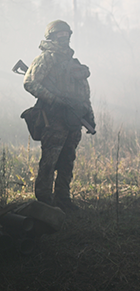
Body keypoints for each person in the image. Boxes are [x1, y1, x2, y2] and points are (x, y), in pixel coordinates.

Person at [23, 20, 95, 212]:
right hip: (53, 119)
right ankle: (44, 202)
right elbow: (30, 83)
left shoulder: (73, 63)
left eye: (66, 35)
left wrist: (89, 114)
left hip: (72, 120)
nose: (63, 38)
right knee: (49, 161)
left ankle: (63, 199)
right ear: (51, 37)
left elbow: (84, 92)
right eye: (59, 35)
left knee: (67, 160)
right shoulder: (46, 58)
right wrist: (54, 99)